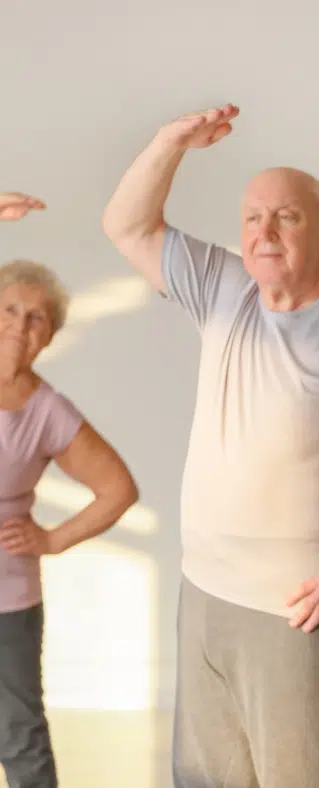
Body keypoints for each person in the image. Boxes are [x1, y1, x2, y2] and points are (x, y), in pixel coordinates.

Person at [101, 106, 319, 788]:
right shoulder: (225, 286)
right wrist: (170, 142)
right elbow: (126, 225)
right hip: (204, 595)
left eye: (285, 217)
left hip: (298, 614)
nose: (264, 233)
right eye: (253, 217)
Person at [1, 192, 139, 788]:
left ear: (49, 336)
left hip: (7, 597)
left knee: (20, 733)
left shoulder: (48, 410)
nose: (19, 326)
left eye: (36, 317)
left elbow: (117, 489)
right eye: (7, 309)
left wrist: (52, 539)